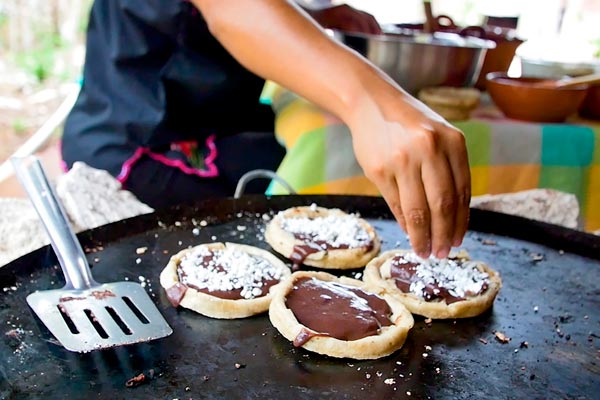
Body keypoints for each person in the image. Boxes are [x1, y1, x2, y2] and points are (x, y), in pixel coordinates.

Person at [62, 0, 470, 260]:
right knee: (308, 181)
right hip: (137, 146)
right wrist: (373, 103)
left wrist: (315, 17)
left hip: (209, 121)